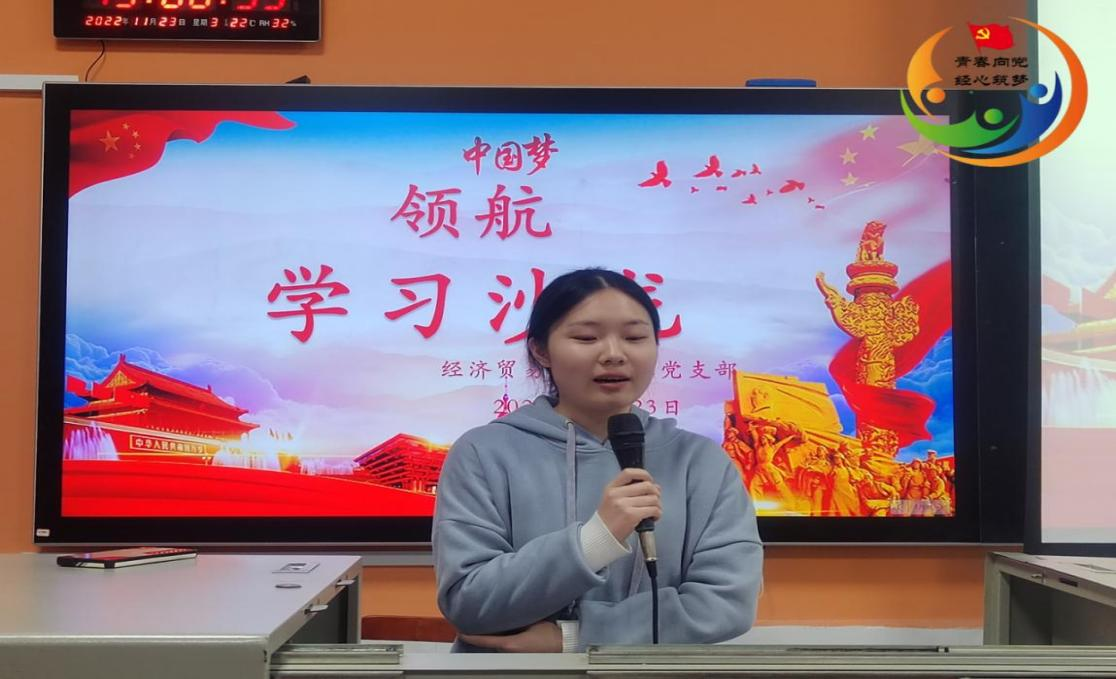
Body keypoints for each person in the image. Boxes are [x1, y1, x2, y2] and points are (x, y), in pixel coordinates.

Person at [432, 268, 763, 653]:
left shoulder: (700, 462)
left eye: (635, 337)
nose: (614, 354)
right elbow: (469, 601)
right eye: (586, 338)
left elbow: (727, 603)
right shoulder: (482, 453)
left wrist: (573, 638)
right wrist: (597, 538)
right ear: (540, 350)